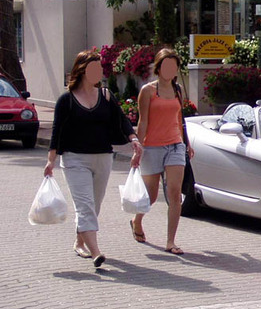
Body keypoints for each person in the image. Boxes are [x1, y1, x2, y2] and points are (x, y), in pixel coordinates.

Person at [45, 50, 143, 268]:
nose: (99, 72)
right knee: (85, 206)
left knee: (94, 206)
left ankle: (80, 242)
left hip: (103, 158)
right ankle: (96, 251)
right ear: (82, 70)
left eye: (100, 68)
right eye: (94, 68)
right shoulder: (66, 100)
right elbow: (56, 132)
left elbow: (122, 121)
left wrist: (134, 139)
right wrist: (50, 161)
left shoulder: (107, 96)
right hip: (74, 159)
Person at [131, 48, 194, 255]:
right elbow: (143, 121)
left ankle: (170, 241)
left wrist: (186, 143)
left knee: (175, 193)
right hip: (152, 147)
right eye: (166, 65)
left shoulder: (177, 90)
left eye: (174, 66)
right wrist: (138, 147)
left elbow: (179, 119)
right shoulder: (148, 91)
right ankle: (136, 221)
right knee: (149, 196)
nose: (170, 70)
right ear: (158, 68)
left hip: (175, 145)